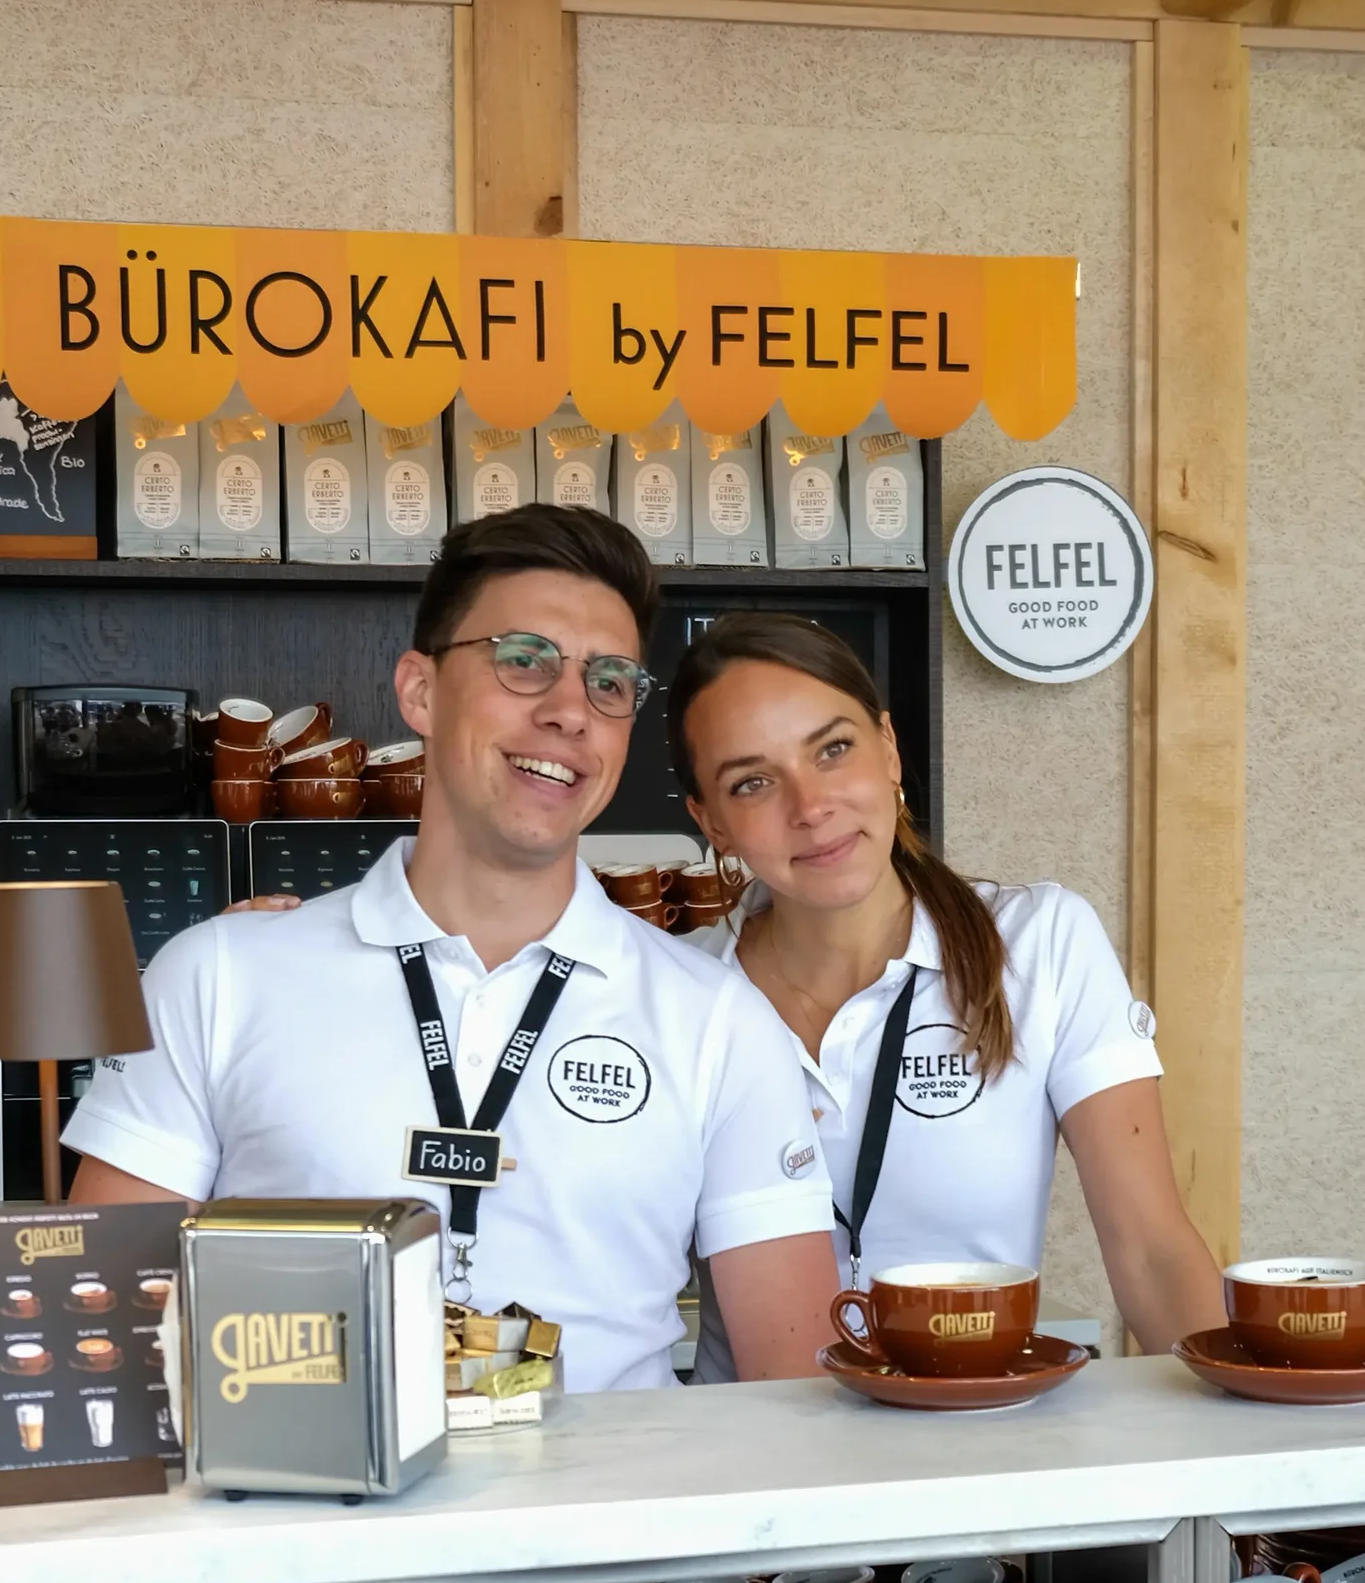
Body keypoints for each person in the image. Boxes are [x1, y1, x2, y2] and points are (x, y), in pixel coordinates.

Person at [65, 505, 839, 1391]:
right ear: (420, 691)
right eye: (523, 661)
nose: (569, 712)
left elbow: (796, 1390)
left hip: (612, 1526)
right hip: (308, 1514)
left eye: (610, 682)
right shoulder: (218, 977)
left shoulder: (717, 1020)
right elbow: (107, 1333)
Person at [667, 609, 1225, 1370]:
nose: (811, 806)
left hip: (984, 1440)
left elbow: (1153, 1250)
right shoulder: (679, 993)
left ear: (890, 750)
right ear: (712, 823)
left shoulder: (1039, 942)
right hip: (763, 1456)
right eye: (754, 782)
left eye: (834, 749)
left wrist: (1234, 1452)